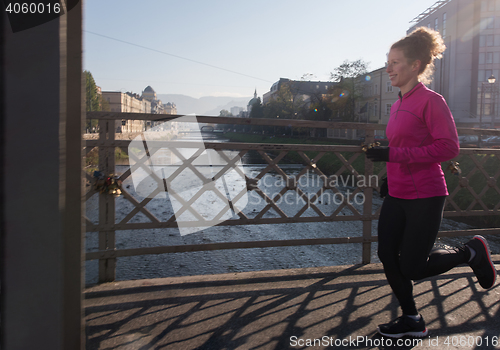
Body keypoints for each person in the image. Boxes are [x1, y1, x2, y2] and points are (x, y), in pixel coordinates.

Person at [366, 27, 497, 339]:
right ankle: (412, 319)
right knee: (387, 255)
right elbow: (403, 149)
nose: (389, 68)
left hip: (425, 193)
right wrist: (388, 175)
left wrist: (393, 154)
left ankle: (470, 252)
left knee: (411, 266)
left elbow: (449, 148)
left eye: (395, 62)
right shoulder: (397, 104)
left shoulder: (431, 101)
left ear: (415, 65)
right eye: (387, 61)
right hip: (397, 193)